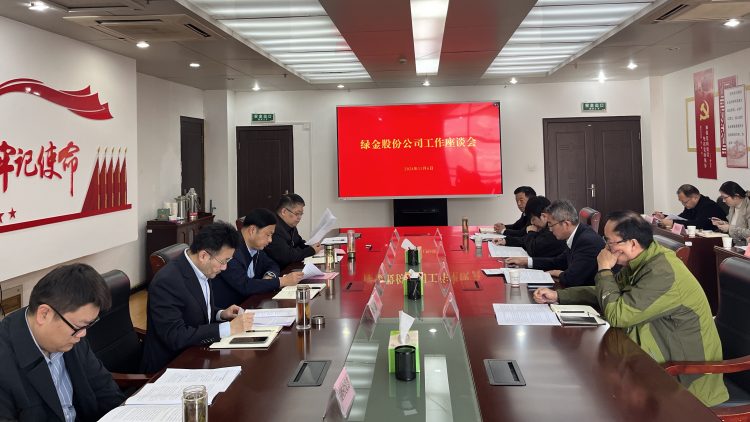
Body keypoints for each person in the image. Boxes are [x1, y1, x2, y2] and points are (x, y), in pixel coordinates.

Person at [533, 210, 728, 407]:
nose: (606, 248)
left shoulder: (662, 272)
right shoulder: (643, 260)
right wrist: (560, 296)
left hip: (685, 378)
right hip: (654, 359)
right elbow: (609, 292)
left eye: (610, 242)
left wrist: (604, 270)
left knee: (598, 392)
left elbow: (618, 315)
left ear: (633, 244)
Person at [0, 263, 124, 421]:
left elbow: (106, 390)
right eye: (79, 326)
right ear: (44, 314)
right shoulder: (5, 364)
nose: (83, 334)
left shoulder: (72, 333)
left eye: (88, 325)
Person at [142, 222, 255, 373]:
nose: (225, 267)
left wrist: (220, 314)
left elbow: (195, 308)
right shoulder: (167, 282)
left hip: (197, 352)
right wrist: (228, 328)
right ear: (203, 256)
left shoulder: (201, 268)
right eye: (223, 261)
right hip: (171, 366)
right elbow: (175, 336)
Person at [213, 208, 305, 309]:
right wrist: (282, 281)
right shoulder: (230, 249)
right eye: (268, 235)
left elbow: (272, 264)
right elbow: (245, 285)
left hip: (250, 303)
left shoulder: (254, 247)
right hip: (229, 310)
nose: (270, 240)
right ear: (252, 230)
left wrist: (269, 276)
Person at [506, 199, 604, 287]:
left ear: (566, 224)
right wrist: (526, 261)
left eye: (551, 225)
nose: (550, 229)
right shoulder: (577, 234)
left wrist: (558, 273)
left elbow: (572, 279)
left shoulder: (587, 241)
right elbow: (558, 261)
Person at [492, 195, 567, 258]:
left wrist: (531, 232)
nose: (531, 222)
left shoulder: (553, 229)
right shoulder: (543, 226)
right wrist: (506, 241)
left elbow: (534, 250)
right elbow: (525, 240)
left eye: (533, 219)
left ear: (543, 216)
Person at [265, 193, 322, 269]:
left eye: (301, 214)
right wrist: (311, 250)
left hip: (290, 267)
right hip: (277, 271)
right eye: (297, 214)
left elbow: (298, 242)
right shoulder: (273, 228)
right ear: (284, 211)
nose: (299, 218)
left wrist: (311, 246)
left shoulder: (290, 224)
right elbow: (286, 256)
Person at [654, 184, 725, 230]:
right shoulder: (691, 205)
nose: (683, 204)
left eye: (685, 202)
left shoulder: (709, 206)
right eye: (681, 202)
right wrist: (665, 217)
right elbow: (683, 218)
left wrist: (673, 223)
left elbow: (697, 224)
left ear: (695, 197)